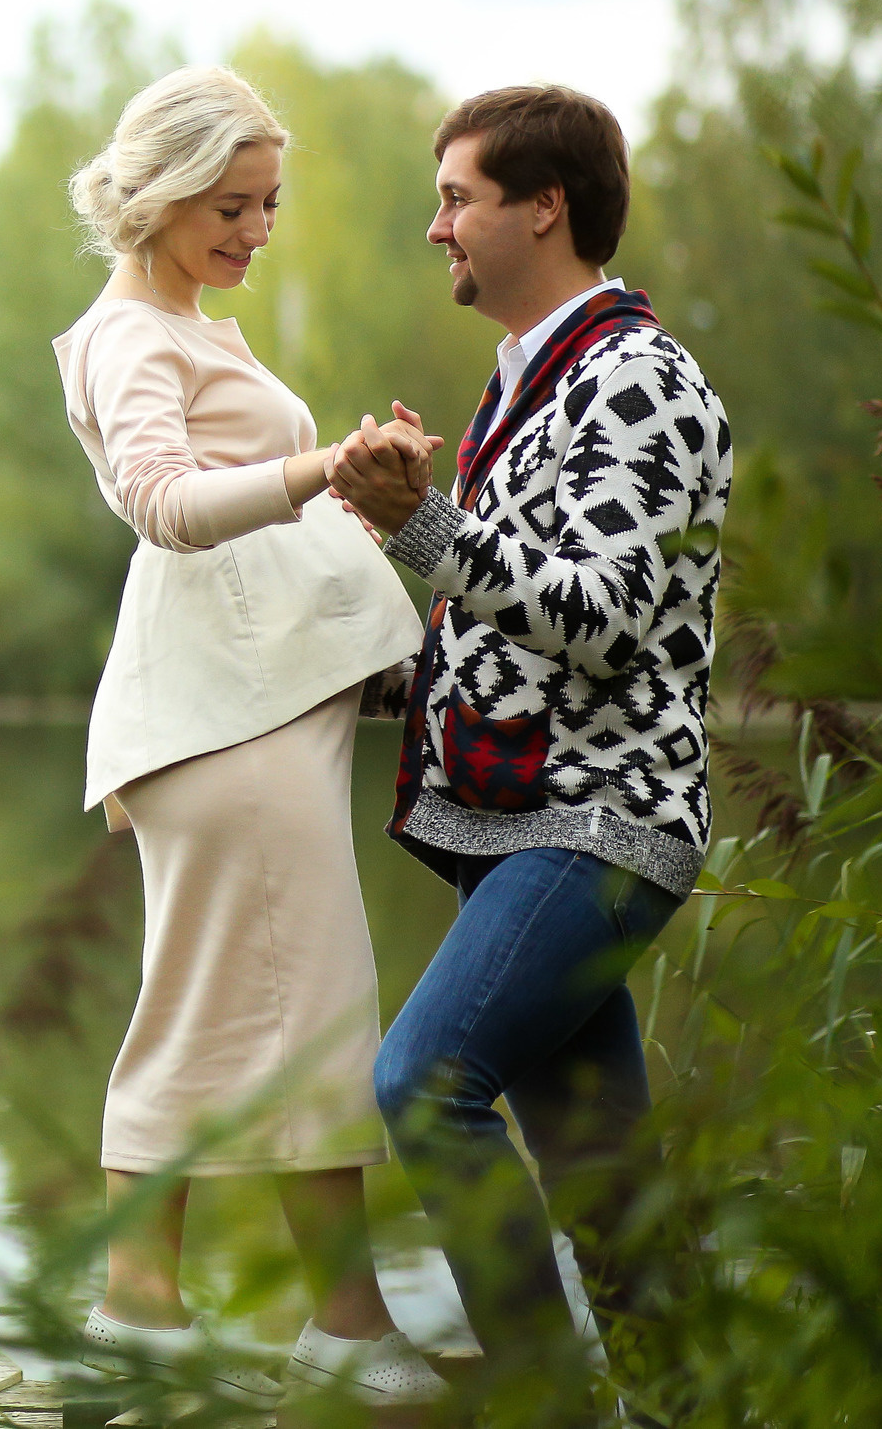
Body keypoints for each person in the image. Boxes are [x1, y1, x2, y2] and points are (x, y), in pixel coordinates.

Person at [330, 84, 731, 1418]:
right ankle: (690, 1406)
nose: (435, 225)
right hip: (528, 830)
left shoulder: (640, 382)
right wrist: (370, 681)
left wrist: (424, 525)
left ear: (544, 207)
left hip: (599, 828)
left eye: (458, 198)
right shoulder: (532, 380)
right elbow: (516, 634)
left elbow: (604, 621)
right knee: (606, 1181)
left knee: (425, 1085)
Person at [52, 65, 448, 1412]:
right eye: (231, 204)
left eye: (269, 203)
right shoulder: (131, 337)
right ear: (160, 194)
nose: (257, 229)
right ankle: (306, 1324)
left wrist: (349, 482)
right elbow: (163, 504)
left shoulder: (184, 324)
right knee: (286, 1011)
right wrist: (324, 468)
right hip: (230, 722)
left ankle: (161, 1312)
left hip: (255, 711)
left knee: (263, 1011)